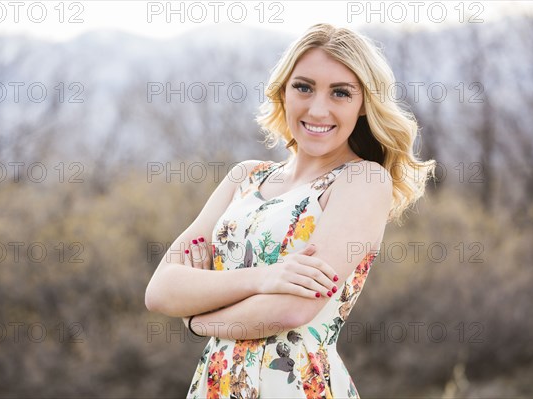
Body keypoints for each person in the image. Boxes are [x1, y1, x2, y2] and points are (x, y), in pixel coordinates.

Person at [145, 23, 436, 398]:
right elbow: (161, 290)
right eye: (304, 87)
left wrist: (196, 320)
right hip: (216, 384)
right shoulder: (244, 177)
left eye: (341, 93)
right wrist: (264, 279)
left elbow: (292, 311)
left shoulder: (362, 180)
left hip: (295, 384)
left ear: (364, 104)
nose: (318, 108)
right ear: (283, 90)